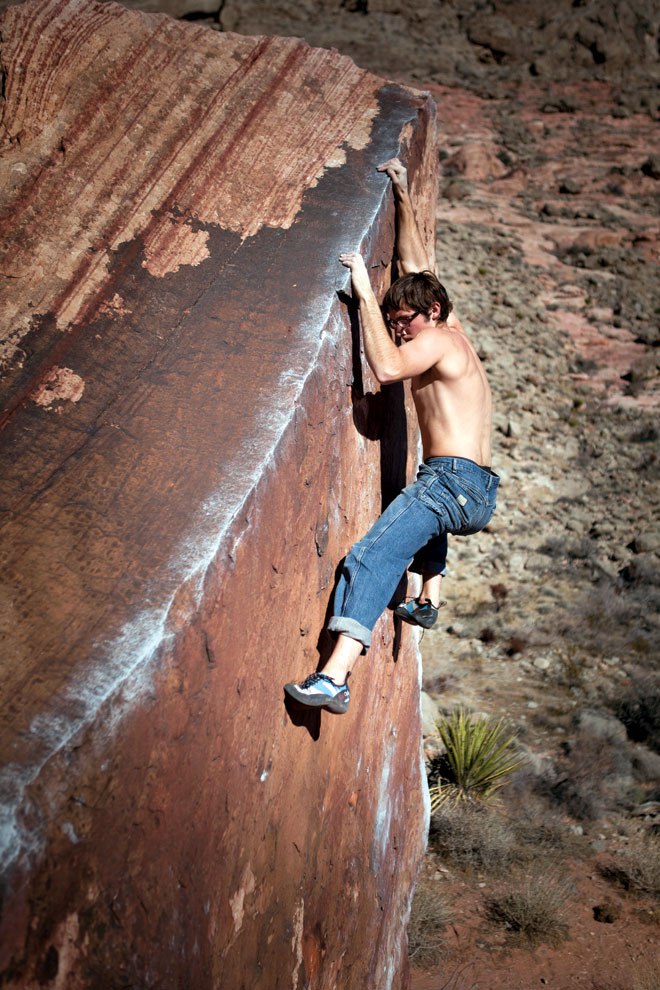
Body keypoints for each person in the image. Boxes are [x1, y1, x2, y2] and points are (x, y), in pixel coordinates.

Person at [284, 158, 498, 714]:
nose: (401, 329)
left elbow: (386, 369)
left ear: (432, 311)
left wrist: (360, 287)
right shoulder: (454, 333)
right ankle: (430, 594)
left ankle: (333, 677)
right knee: (427, 510)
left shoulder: (437, 343)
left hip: (449, 483)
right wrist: (402, 190)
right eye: (394, 321)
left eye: (407, 320)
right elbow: (417, 259)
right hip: (476, 491)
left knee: (370, 558)